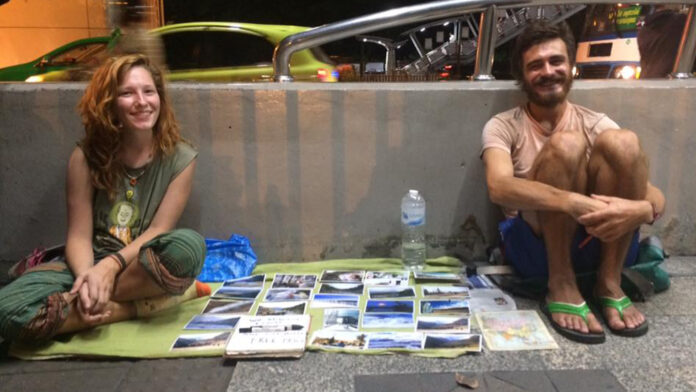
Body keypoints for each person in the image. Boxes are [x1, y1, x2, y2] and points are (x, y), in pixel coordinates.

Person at [481, 20, 665, 344]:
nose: (548, 71)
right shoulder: (503, 125)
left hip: (599, 240)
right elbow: (499, 187)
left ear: (571, 66)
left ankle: (608, 282)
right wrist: (571, 202)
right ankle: (562, 283)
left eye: (556, 61)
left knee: (624, 141)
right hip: (536, 249)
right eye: (535, 65)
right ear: (522, 76)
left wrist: (641, 211)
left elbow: (654, 195)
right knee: (566, 145)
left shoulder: (596, 122)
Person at [0, 54, 206, 343]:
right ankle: (136, 305)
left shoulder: (181, 157)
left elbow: (159, 230)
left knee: (188, 247)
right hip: (88, 262)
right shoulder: (84, 157)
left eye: (149, 91)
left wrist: (111, 267)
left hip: (139, 262)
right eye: (127, 93)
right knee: (5, 312)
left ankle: (97, 308)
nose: (142, 101)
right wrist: (88, 276)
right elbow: (79, 237)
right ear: (110, 103)